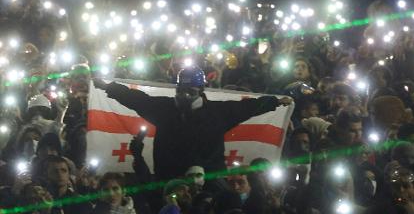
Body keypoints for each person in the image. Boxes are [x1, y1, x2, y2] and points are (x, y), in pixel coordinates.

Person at [94, 67, 292, 179]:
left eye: (191, 91)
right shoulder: (164, 109)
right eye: (181, 90)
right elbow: (135, 98)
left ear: (202, 90)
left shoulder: (218, 112)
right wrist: (108, 87)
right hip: (170, 180)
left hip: (210, 181)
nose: (185, 96)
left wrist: (274, 102)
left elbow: (248, 108)